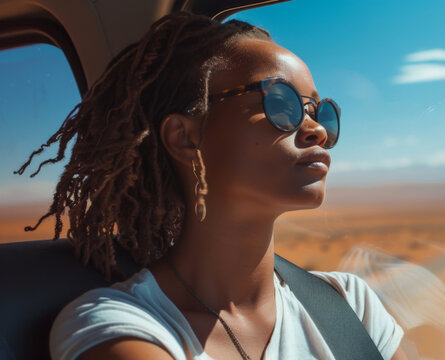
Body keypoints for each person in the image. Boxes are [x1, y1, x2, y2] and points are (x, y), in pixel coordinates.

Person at [16, 11, 405, 360]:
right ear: (185, 137)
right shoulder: (118, 326)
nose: (317, 130)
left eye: (318, 111)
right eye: (281, 104)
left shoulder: (350, 306)